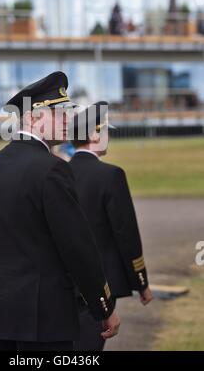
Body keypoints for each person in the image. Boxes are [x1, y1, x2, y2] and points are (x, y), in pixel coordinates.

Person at [0, 72, 120, 352]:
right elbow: (77, 247)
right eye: (59, 112)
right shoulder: (52, 169)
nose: (68, 120)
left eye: (69, 111)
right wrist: (104, 306)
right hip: (42, 320)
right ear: (34, 118)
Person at [68, 101, 152, 351]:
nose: (107, 136)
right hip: (98, 284)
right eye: (104, 130)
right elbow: (125, 233)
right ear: (94, 135)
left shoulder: (59, 172)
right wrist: (141, 282)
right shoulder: (111, 175)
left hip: (62, 282)